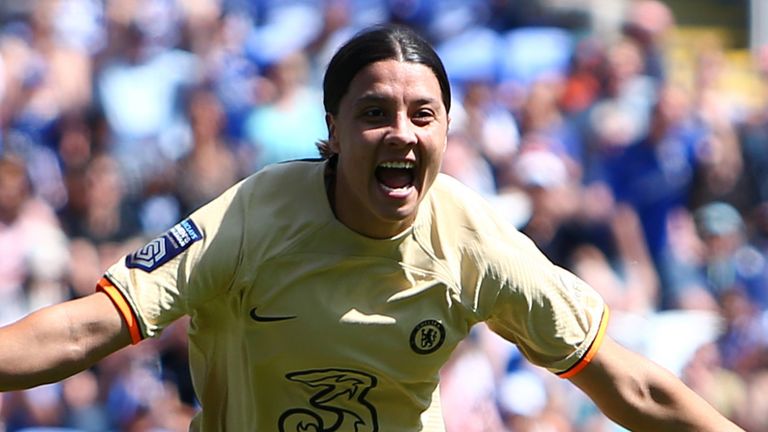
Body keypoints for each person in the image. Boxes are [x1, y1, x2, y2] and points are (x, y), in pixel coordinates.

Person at [0, 24, 744, 431]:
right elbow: (84, 330)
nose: (401, 133)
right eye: (374, 114)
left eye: (423, 115)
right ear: (329, 132)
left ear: (449, 131)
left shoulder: (475, 241)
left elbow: (632, 388)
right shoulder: (253, 217)